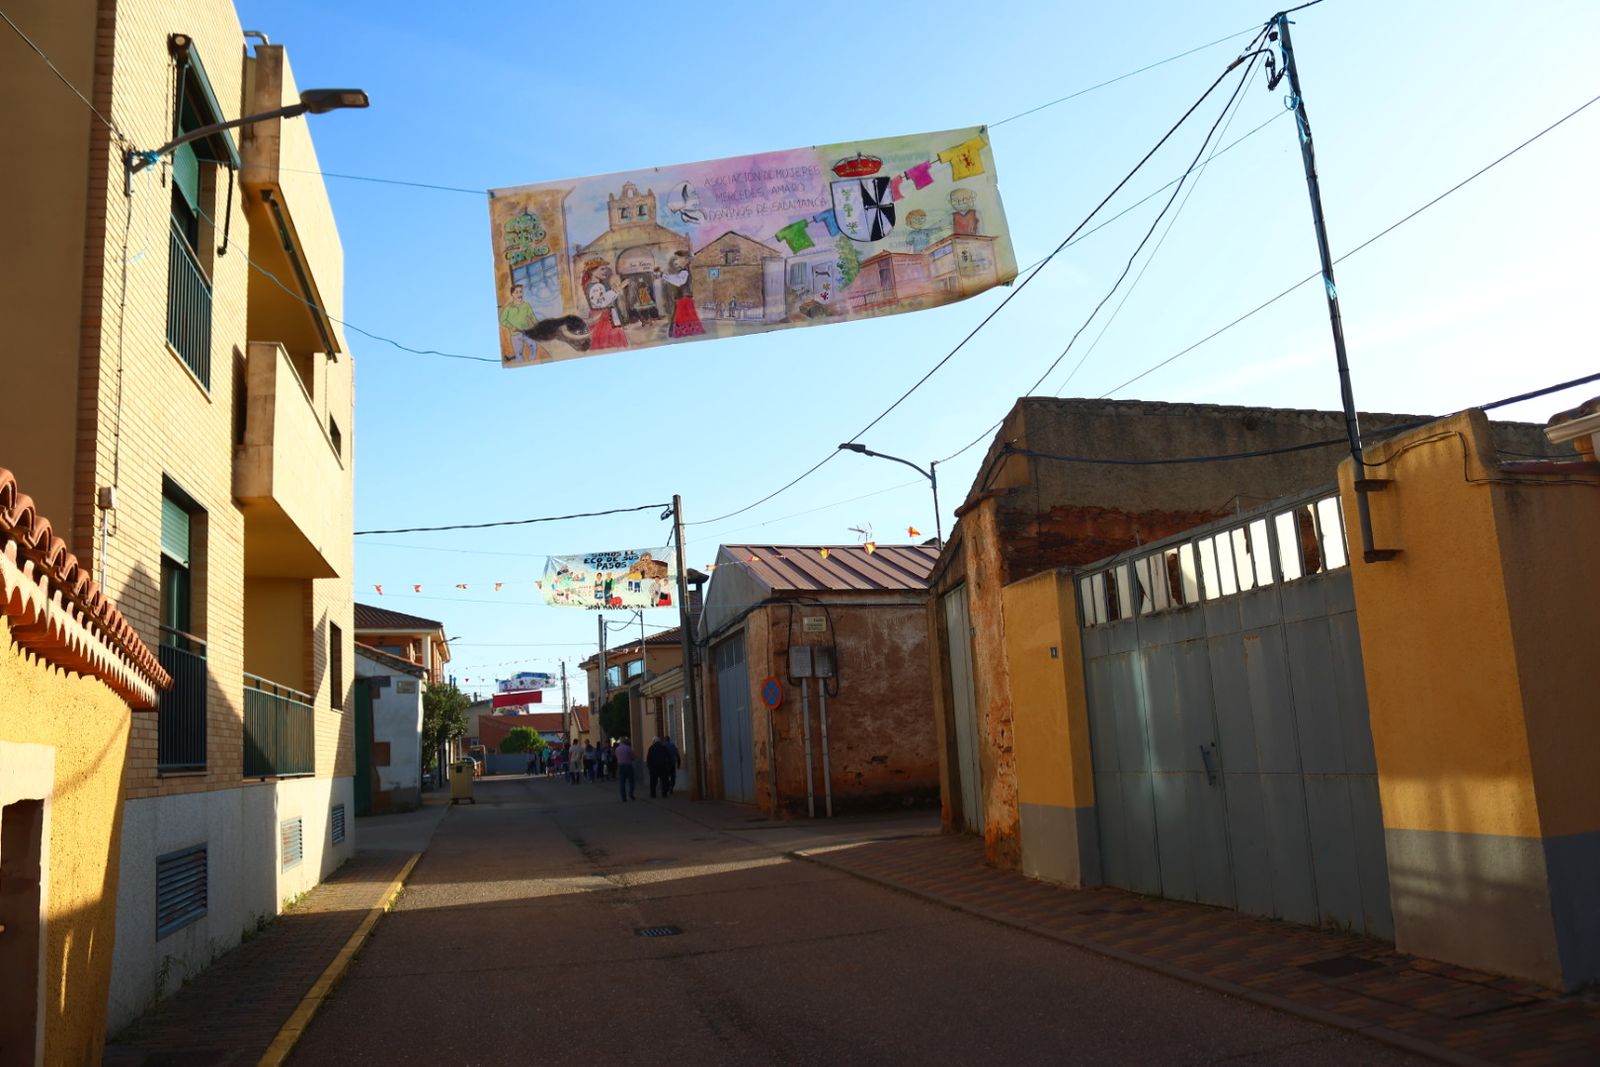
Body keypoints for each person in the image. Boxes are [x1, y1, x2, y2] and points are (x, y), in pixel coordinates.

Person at [580, 261, 628, 350]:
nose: (605, 271)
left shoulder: (592, 285)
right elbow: (601, 302)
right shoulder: (596, 286)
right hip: (603, 318)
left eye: (605, 269)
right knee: (608, 341)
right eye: (602, 269)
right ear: (592, 271)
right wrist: (620, 287)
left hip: (599, 316)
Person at [657, 252, 704, 339]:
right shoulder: (683, 271)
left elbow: (678, 281)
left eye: (677, 259)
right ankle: (683, 333)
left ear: (684, 260)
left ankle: (681, 334)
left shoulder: (684, 272)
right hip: (683, 298)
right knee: (683, 318)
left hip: (684, 299)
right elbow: (676, 279)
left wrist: (663, 275)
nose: (676, 261)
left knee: (681, 318)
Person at [615, 737, 636, 801]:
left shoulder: (617, 749)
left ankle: (623, 797)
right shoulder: (628, 748)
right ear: (625, 742)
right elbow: (633, 757)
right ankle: (631, 793)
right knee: (631, 781)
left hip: (620, 766)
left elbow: (616, 757)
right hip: (628, 766)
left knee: (622, 782)